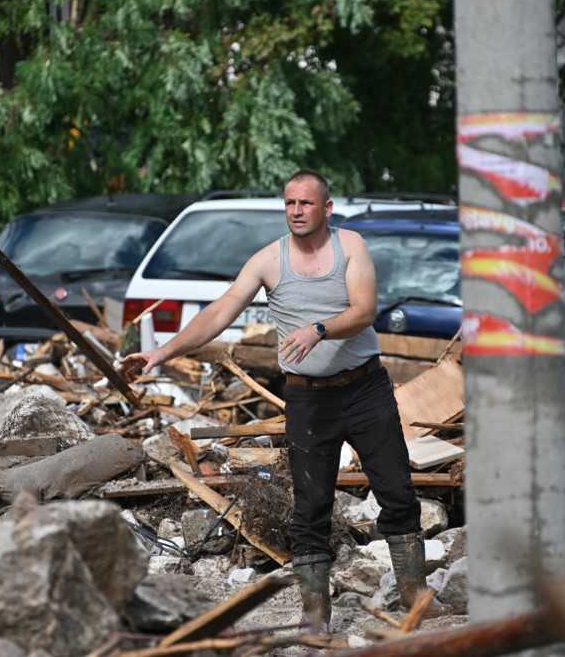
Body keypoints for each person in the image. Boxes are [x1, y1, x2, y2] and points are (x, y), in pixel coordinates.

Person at [123, 170, 428, 631]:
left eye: (307, 204)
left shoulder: (351, 247)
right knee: (310, 506)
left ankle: (414, 595)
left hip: (365, 390)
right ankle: (315, 616)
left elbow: (365, 310)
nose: (297, 211)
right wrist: (160, 352)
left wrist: (318, 328)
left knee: (397, 490)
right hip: (308, 400)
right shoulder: (269, 260)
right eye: (290, 204)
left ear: (327, 209)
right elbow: (221, 311)